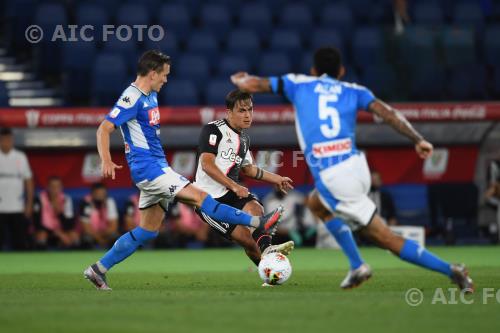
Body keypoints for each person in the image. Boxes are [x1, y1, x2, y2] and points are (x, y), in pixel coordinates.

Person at [230, 47, 474, 292]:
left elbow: (255, 84)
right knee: (317, 204)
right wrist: (418, 139)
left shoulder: (299, 84)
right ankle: (357, 265)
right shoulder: (355, 90)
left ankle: (450, 271)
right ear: (342, 71)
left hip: (333, 176)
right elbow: (387, 112)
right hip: (356, 167)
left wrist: (242, 80)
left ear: (314, 71)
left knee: (386, 239)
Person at [84, 50, 284, 290]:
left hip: (157, 167)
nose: (166, 80)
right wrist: (106, 159)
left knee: (148, 231)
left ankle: (98, 270)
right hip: (150, 170)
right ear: (152, 73)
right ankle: (257, 221)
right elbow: (104, 129)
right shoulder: (132, 96)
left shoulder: (150, 95)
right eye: (164, 75)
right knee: (200, 197)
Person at [193, 89, 294, 268]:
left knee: (256, 208)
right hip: (206, 199)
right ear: (229, 111)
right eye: (242, 110)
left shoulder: (244, 139)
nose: (248, 115)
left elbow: (248, 169)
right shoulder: (213, 130)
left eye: (250, 110)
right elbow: (207, 165)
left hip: (231, 192)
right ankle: (267, 266)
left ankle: (268, 253)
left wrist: (277, 179)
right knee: (247, 241)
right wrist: (234, 185)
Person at [0, 127, 34, 250]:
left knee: (19, 242)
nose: (6, 142)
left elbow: (28, 181)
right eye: (3, 139)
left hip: (17, 207)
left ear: (12, 140)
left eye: (9, 139)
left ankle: (22, 268)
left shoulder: (20, 157)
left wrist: (28, 204)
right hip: (1, 207)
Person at [33, 176, 79, 249]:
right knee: (41, 235)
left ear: (61, 187)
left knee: (74, 236)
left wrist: (60, 213)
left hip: (61, 230)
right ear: (47, 187)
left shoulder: (66, 199)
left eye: (58, 186)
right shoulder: (39, 198)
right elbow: (36, 222)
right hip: (45, 230)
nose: (55, 189)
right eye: (52, 186)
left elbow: (70, 224)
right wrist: (56, 232)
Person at [79, 182, 119, 248]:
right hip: (91, 235)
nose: (100, 196)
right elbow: (86, 228)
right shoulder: (86, 203)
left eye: (103, 194)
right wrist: (99, 239)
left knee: (115, 238)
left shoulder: (110, 202)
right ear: (92, 194)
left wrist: (102, 236)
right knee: (86, 239)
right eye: (98, 194)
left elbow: (114, 226)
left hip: (105, 234)